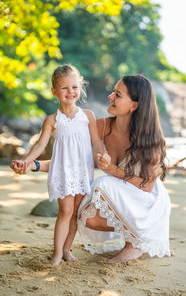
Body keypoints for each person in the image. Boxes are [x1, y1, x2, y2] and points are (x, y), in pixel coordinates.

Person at [11, 74, 171, 262]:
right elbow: (70, 162)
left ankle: (134, 244)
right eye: (113, 92)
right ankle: (131, 238)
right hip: (122, 196)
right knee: (84, 213)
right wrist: (33, 165)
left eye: (117, 95)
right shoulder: (100, 127)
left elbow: (147, 186)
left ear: (134, 105)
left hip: (148, 202)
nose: (110, 96)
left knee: (101, 184)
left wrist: (111, 169)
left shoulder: (151, 140)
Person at [10, 64, 106, 266]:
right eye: (64, 88)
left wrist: (102, 154)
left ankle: (66, 250)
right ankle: (56, 254)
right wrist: (26, 161)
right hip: (63, 173)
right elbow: (40, 144)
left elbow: (96, 141)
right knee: (65, 211)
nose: (70, 92)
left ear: (80, 88)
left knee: (77, 213)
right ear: (55, 92)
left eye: (74, 87)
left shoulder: (87, 115)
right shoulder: (52, 120)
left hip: (83, 172)